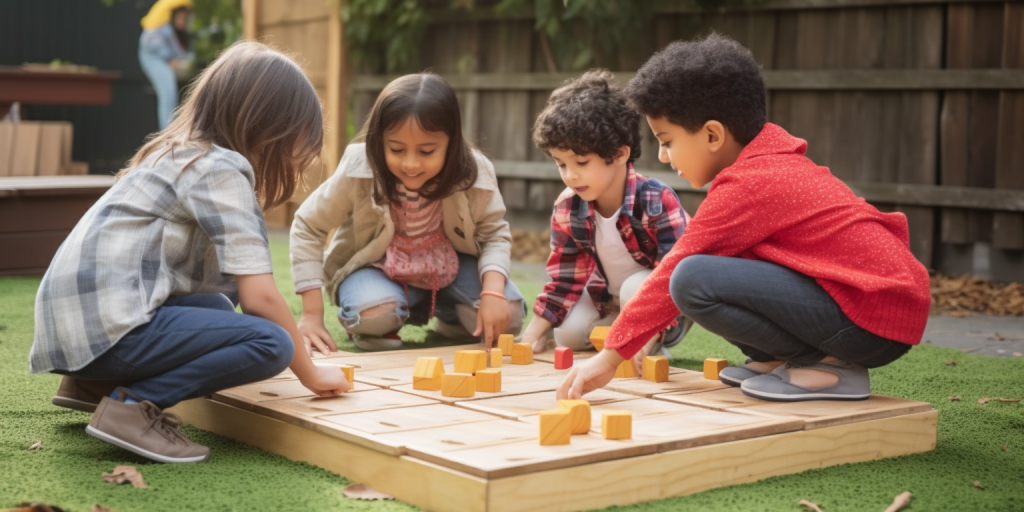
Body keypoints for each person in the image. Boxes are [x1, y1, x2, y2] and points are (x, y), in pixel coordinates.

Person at [557, 33, 930, 402]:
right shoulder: (766, 159)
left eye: (667, 140)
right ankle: (781, 358)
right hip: (866, 307)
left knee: (691, 277)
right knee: (715, 265)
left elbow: (674, 269)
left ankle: (827, 368)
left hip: (872, 318)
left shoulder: (751, 183)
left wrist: (609, 357)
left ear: (713, 135)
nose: (663, 156)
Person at [32, 41, 349, 464]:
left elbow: (226, 290)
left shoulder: (174, 153)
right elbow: (261, 299)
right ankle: (131, 407)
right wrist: (310, 372)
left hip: (74, 330)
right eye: (296, 141)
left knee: (217, 305)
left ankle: (91, 385)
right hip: (107, 331)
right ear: (267, 127)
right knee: (272, 344)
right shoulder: (221, 168)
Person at [290, 73, 525, 353]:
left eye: (427, 151)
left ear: (451, 144)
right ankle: (377, 321)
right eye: (396, 149)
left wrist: (493, 292)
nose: (411, 163)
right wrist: (312, 315)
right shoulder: (359, 167)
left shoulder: (475, 172)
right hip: (379, 268)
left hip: (447, 270)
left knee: (507, 317)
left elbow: (495, 235)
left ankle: (452, 317)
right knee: (374, 316)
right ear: (380, 141)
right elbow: (308, 225)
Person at [520, 70, 691, 369]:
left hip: (662, 300)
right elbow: (565, 278)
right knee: (568, 335)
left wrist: (642, 337)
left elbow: (674, 274)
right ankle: (618, 333)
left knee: (634, 288)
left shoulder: (656, 200)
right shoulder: (567, 207)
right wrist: (532, 336)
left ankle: (649, 342)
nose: (571, 175)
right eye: (562, 164)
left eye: (582, 162)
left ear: (620, 153)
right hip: (607, 299)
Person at [139, 0, 192, 129]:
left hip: (159, 58)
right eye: (180, 18)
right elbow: (154, 47)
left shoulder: (168, 30)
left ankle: (170, 130)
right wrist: (170, 59)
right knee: (168, 93)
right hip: (154, 58)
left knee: (170, 93)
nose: (182, 21)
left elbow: (180, 53)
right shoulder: (161, 28)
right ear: (172, 15)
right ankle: (167, 132)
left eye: (184, 18)